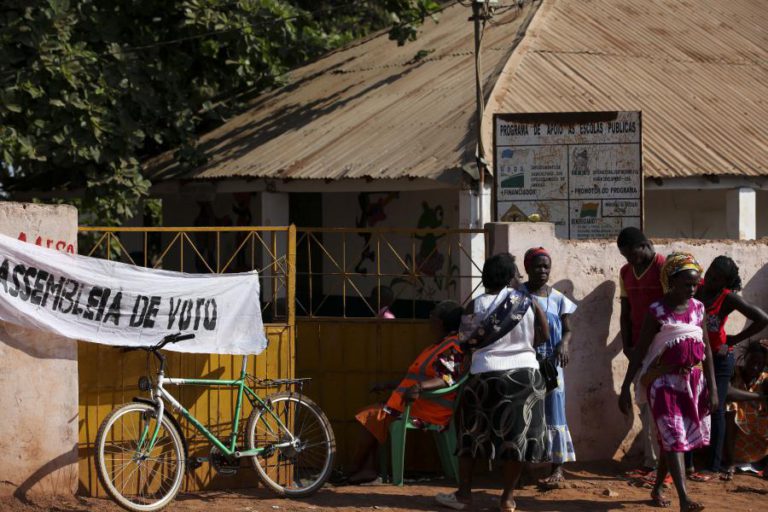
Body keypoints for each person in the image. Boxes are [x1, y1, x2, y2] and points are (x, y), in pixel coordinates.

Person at [435, 253, 549, 512]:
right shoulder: (527, 303)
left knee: (470, 435)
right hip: (525, 377)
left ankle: (464, 494)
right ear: (511, 277)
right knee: (517, 439)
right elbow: (544, 336)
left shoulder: (475, 305)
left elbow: (464, 342)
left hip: (485, 376)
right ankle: (507, 499)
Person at [619, 252, 718, 512]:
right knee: (674, 436)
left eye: (695, 284)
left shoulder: (698, 308)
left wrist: (713, 389)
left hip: (692, 384)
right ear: (671, 282)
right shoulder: (657, 311)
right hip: (662, 383)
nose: (692, 289)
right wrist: (625, 387)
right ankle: (685, 499)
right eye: (687, 284)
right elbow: (640, 351)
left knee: (674, 440)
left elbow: (706, 348)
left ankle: (658, 487)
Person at [346, 300, 464, 484]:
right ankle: (367, 469)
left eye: (432, 314)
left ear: (440, 322)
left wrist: (419, 388)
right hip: (410, 405)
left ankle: (354, 468)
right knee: (372, 415)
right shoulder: (436, 346)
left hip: (428, 411)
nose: (429, 318)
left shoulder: (451, 346)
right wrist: (387, 384)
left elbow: (446, 378)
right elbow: (414, 378)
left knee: (370, 416)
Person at [685, 256, 768, 480]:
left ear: (725, 282)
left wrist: (734, 339)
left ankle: (714, 466)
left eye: (716, 278)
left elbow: (762, 319)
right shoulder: (696, 288)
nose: (709, 278)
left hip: (720, 358)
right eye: (710, 272)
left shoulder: (727, 298)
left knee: (717, 408)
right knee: (691, 406)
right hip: (695, 356)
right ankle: (688, 463)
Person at [520, 247, 577, 487]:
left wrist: (564, 345)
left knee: (555, 412)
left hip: (551, 365)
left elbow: (567, 329)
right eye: (537, 266)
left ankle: (557, 468)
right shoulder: (518, 296)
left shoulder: (557, 298)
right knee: (525, 413)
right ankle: (522, 468)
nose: (542, 271)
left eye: (546, 266)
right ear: (527, 268)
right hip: (524, 362)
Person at [617, 226, 666, 473]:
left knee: (660, 404)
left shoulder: (664, 268)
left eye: (632, 254)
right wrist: (627, 345)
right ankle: (652, 460)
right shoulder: (626, 272)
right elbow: (625, 313)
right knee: (644, 403)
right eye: (625, 256)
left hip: (663, 347)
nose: (630, 260)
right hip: (638, 348)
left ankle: (658, 462)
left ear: (645, 245)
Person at [722, 339, 768, 480]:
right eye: (752, 361)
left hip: (758, 446)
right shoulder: (733, 372)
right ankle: (730, 463)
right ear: (744, 357)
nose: (755, 367)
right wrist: (759, 396)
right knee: (731, 408)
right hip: (733, 445)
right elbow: (728, 392)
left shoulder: (765, 380)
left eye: (760, 364)